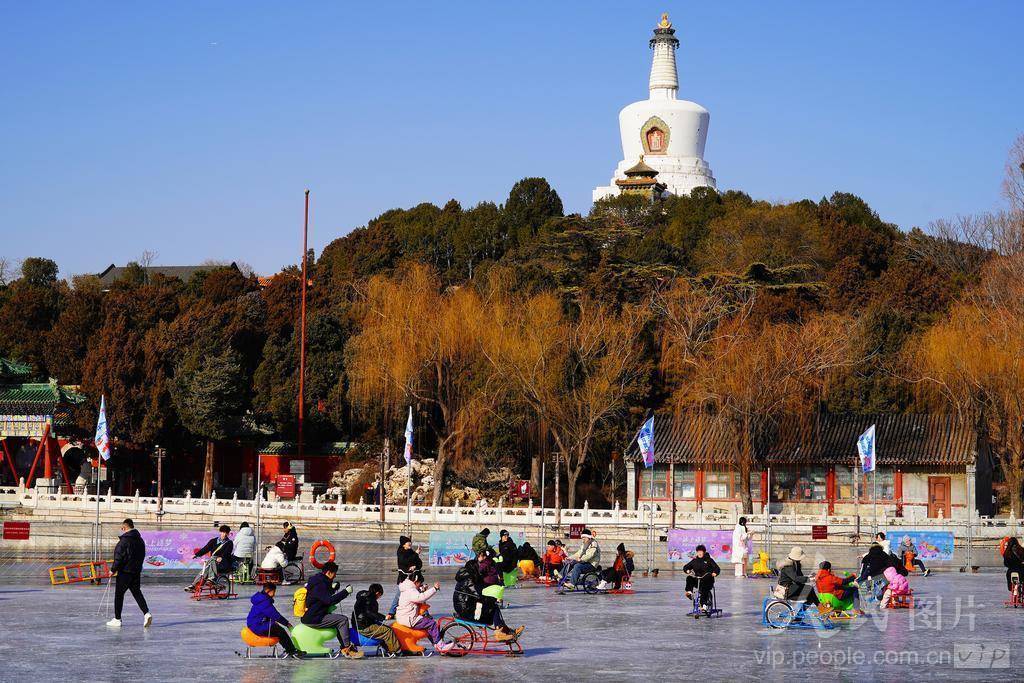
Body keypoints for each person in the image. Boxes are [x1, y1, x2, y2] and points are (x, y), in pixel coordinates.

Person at [299, 561, 363, 659]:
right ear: (328, 572)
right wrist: (345, 592)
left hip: (316, 615)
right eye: (334, 573)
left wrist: (333, 589)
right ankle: (348, 649)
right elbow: (329, 600)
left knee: (338, 621)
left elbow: (322, 597)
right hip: (314, 618)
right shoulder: (320, 584)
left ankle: (345, 647)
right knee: (343, 620)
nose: (335, 576)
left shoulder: (319, 581)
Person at [454, 553, 523, 641]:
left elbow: (480, 589)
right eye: (477, 566)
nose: (479, 568)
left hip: (466, 605)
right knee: (492, 607)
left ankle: (505, 630)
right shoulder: (468, 579)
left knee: (493, 605)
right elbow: (477, 594)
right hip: (465, 610)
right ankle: (500, 633)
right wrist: (490, 599)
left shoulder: (469, 577)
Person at [107, 518, 152, 628]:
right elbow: (142, 555)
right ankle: (146, 613)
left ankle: (117, 619)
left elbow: (119, 558)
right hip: (136, 571)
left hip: (125, 572)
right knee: (137, 593)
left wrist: (113, 570)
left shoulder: (124, 541)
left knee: (119, 595)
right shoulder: (140, 540)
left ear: (124, 528)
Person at [395, 572, 454, 653]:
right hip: (409, 619)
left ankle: (437, 643)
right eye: (420, 583)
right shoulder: (410, 590)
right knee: (431, 624)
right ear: (415, 581)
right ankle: (440, 645)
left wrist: (422, 590)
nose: (420, 585)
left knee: (428, 621)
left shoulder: (407, 588)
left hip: (405, 617)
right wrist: (434, 589)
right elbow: (420, 598)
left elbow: (415, 595)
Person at [247, 583, 301, 657]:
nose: (274, 594)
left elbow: (266, 615)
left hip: (255, 624)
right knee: (281, 631)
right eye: (274, 592)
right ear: (268, 591)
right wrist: (287, 624)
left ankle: (290, 650)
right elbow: (275, 615)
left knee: (277, 629)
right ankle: (291, 651)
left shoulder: (261, 599)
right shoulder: (264, 602)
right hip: (258, 626)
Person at [353, 584, 401, 655]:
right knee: (388, 631)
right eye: (380, 595)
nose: (379, 597)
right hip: (364, 627)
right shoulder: (372, 601)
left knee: (383, 627)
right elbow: (369, 613)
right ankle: (396, 651)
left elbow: (368, 613)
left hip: (356, 623)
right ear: (377, 593)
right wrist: (383, 617)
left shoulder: (362, 596)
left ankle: (387, 648)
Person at [187, 524, 234, 590]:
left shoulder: (229, 543)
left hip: (223, 563)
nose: (224, 534)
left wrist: (221, 557)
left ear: (228, 533)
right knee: (205, 570)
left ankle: (212, 579)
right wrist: (197, 555)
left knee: (211, 561)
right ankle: (195, 585)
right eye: (223, 532)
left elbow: (227, 553)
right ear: (220, 532)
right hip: (213, 561)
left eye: (226, 533)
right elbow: (205, 548)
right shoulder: (213, 541)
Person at [387, 535, 422, 619]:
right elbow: (405, 561)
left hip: (414, 577)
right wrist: (416, 554)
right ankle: (391, 612)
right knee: (399, 595)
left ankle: (424, 612)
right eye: (408, 542)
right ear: (403, 544)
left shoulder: (411, 551)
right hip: (404, 578)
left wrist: (415, 566)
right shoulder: (400, 552)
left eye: (410, 542)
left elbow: (419, 563)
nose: (410, 543)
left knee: (419, 594)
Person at [682, 544, 720, 612]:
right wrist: (687, 570)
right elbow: (686, 567)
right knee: (689, 578)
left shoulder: (709, 560)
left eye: (701, 551)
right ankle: (689, 591)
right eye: (698, 551)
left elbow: (717, 568)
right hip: (698, 580)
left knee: (705, 589)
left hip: (708, 580)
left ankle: (703, 605)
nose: (699, 553)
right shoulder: (695, 560)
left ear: (704, 552)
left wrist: (715, 573)